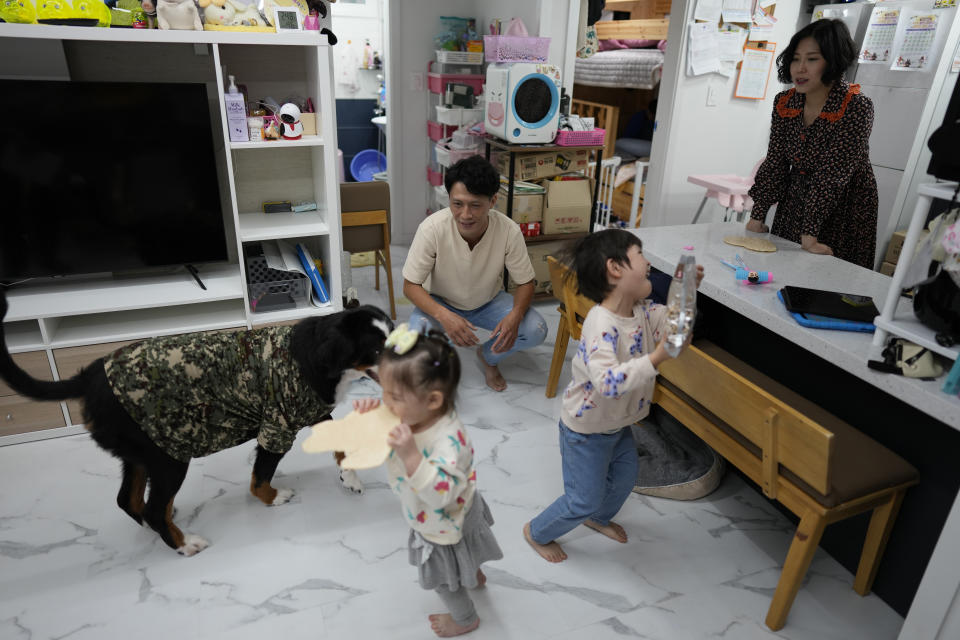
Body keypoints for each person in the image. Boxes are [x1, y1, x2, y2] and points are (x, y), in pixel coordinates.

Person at [523, 229, 704, 563]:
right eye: (640, 254)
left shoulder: (644, 312)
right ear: (615, 268)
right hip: (584, 431)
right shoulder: (600, 324)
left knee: (624, 479)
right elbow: (608, 382)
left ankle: (598, 518)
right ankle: (537, 531)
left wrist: (687, 293)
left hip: (618, 425)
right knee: (581, 500)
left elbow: (676, 328)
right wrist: (657, 358)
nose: (648, 262)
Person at [352, 324, 502, 637]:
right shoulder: (413, 414)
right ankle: (473, 572)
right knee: (470, 545)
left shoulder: (448, 441)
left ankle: (465, 618)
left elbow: (441, 495)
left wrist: (411, 457)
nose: (385, 404)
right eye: (383, 394)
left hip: (440, 521)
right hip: (466, 507)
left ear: (433, 400)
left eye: (393, 396)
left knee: (444, 581)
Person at [403, 155, 548, 392]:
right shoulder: (431, 229)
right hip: (442, 300)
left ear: (492, 201)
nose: (466, 214)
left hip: (488, 301)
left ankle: (488, 357)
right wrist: (444, 316)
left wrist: (515, 316)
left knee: (535, 329)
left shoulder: (508, 230)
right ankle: (439, 369)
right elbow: (410, 286)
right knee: (415, 341)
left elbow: (525, 282)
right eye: (457, 204)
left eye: (475, 205)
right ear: (448, 198)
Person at [746, 18, 878, 269]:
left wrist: (810, 234)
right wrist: (757, 215)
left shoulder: (856, 106)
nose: (800, 68)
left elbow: (833, 174)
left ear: (834, 60)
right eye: (796, 59)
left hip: (844, 204)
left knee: (828, 282)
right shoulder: (785, 102)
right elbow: (776, 160)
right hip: (796, 197)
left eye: (812, 59)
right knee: (781, 273)